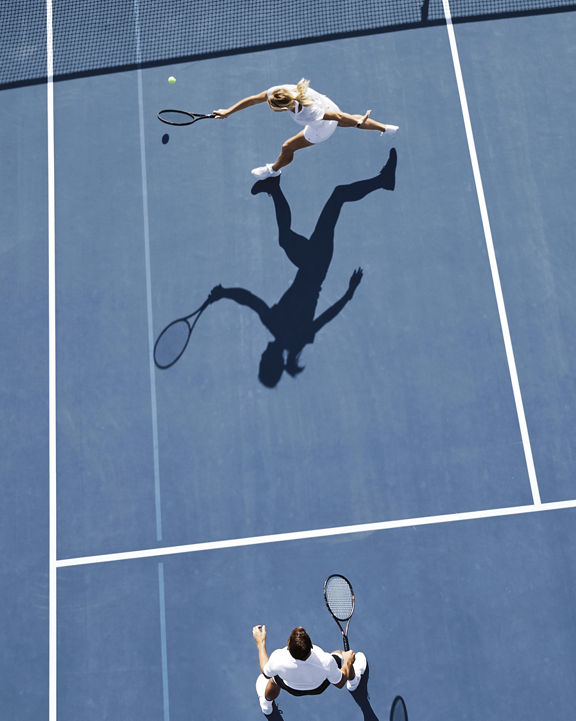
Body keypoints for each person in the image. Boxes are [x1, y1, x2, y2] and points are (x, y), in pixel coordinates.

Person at [207, 150, 397, 387]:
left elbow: (250, 300)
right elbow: (250, 300)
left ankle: (274, 188)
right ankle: (382, 181)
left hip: (316, 265)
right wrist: (223, 293)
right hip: (315, 265)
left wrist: (348, 295)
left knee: (291, 234)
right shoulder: (280, 329)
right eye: (263, 360)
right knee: (334, 199)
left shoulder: (290, 337)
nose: (262, 355)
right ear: (271, 361)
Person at [213, 78, 399, 178]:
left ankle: (273, 171)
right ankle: (386, 128)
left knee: (288, 147)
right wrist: (228, 111)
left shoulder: (306, 113)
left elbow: (337, 117)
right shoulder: (281, 91)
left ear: (286, 107)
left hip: (321, 128)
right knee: (349, 120)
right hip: (328, 104)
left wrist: (357, 122)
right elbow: (255, 99)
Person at [253, 624, 368, 716]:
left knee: (273, 680)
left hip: (291, 688)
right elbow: (339, 683)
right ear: (311, 646)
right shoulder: (326, 661)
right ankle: (353, 683)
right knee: (340, 655)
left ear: (288, 646)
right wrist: (348, 661)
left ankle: (266, 706)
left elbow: (265, 672)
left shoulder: (278, 658)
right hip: (318, 688)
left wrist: (260, 643)